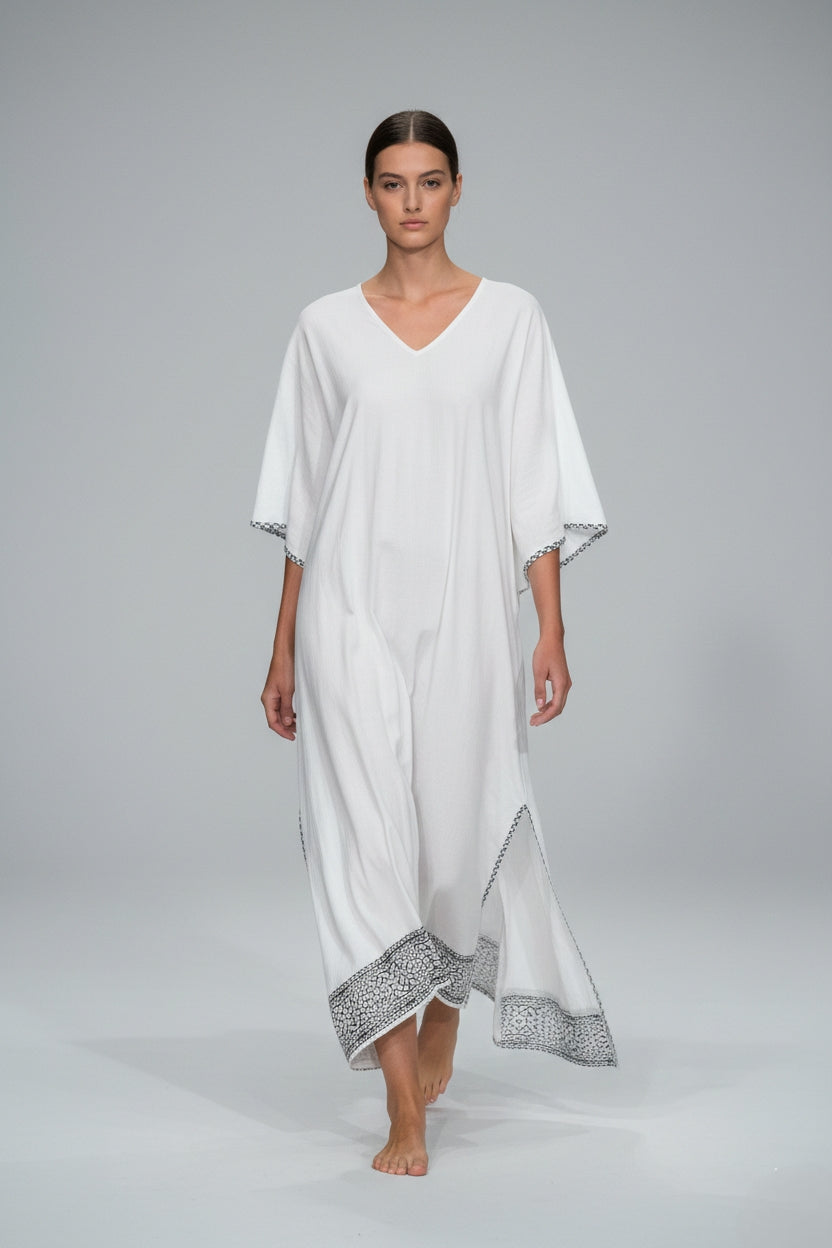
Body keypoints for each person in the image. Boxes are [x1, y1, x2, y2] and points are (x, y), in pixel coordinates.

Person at [250, 109, 617, 1178]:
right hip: (345, 616)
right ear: (367, 194)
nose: (411, 200)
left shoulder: (509, 319)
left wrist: (550, 625)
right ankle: (402, 1108)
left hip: (465, 617)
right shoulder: (324, 329)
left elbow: (533, 481)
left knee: (457, 839)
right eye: (391, 181)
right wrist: (282, 647)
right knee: (361, 848)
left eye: (429, 180)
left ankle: (447, 996)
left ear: (458, 189)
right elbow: (306, 503)